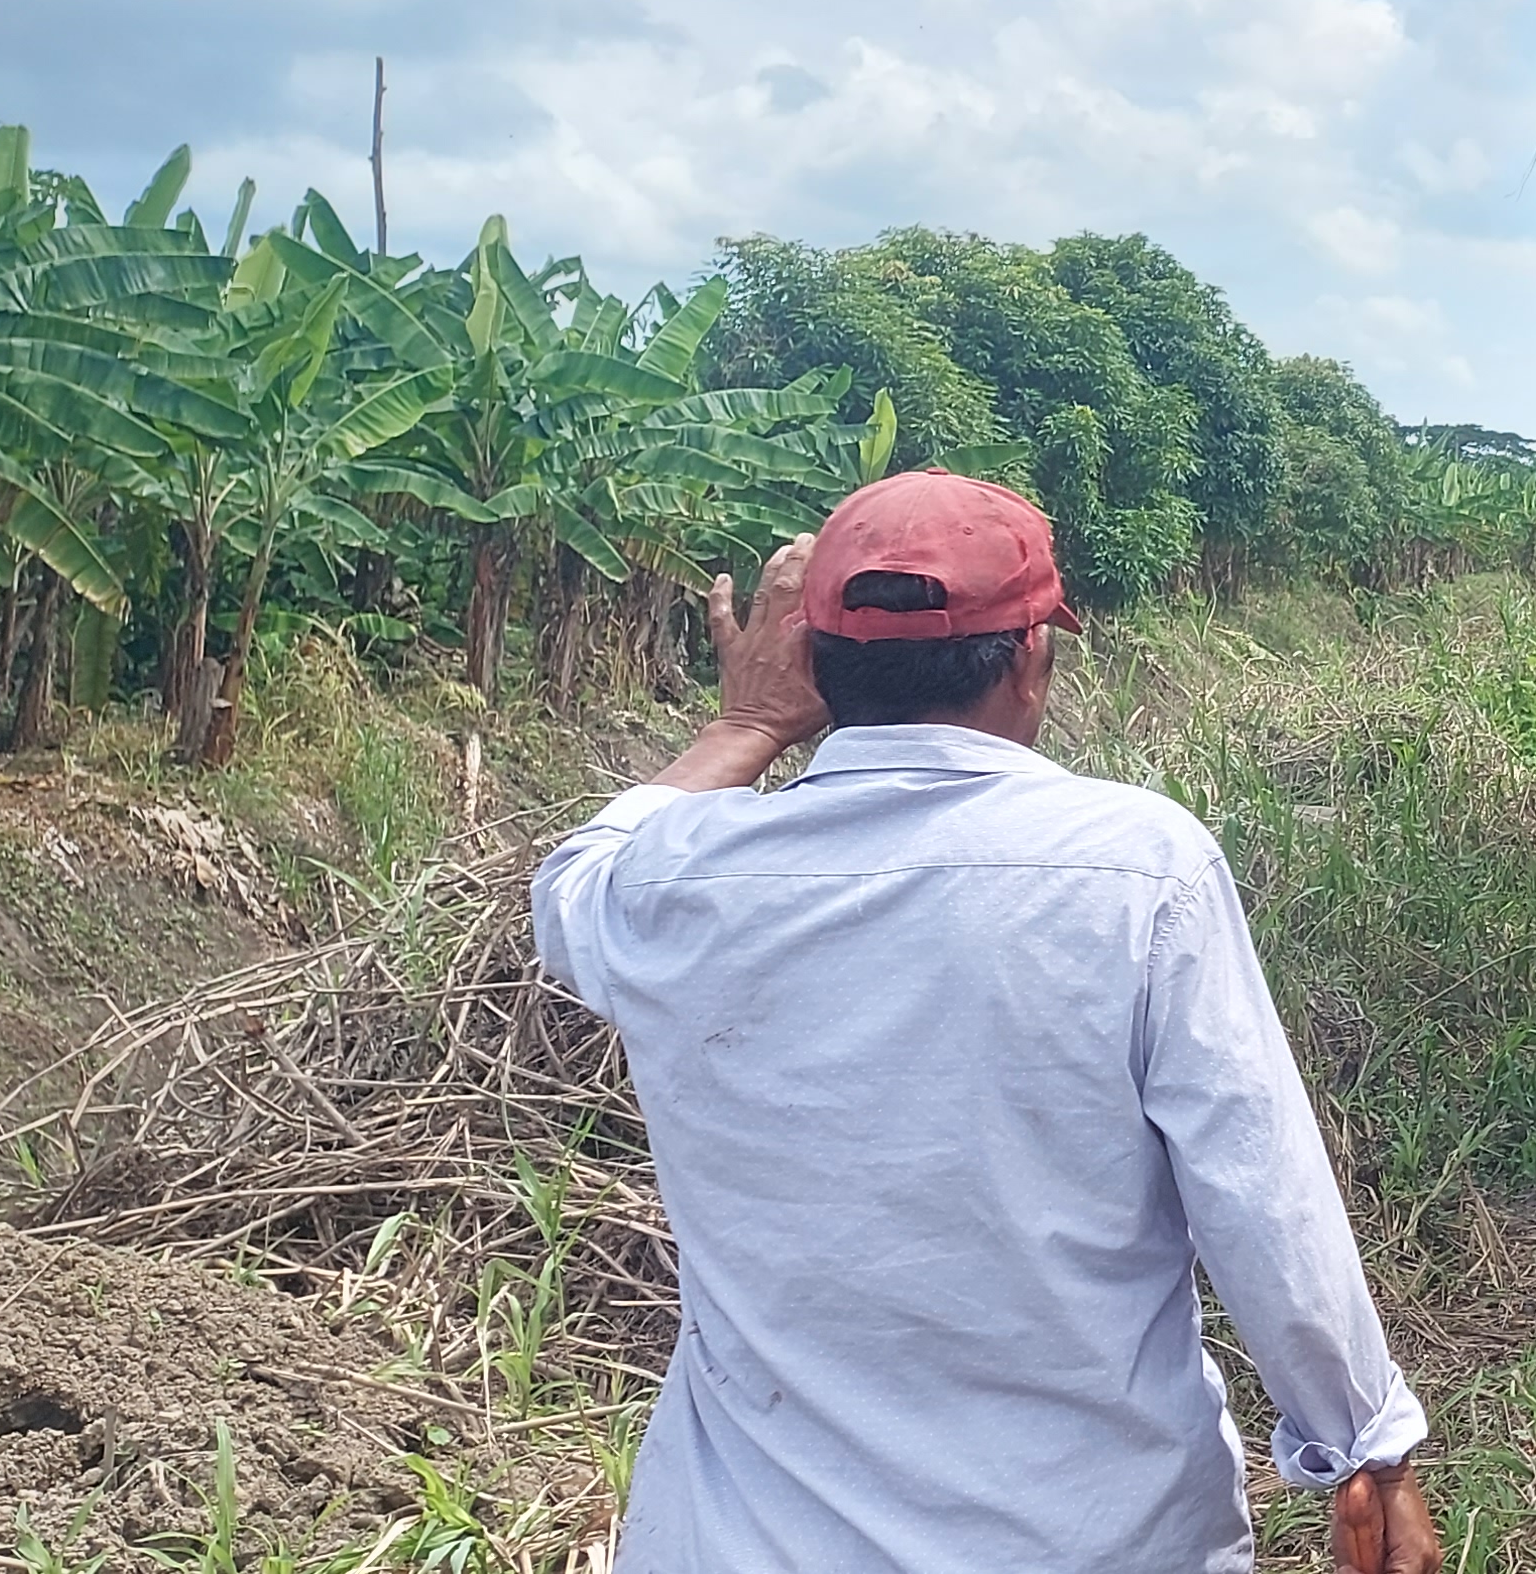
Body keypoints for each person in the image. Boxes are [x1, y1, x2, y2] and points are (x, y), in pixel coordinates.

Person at [532, 470, 1444, 1573]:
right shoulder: (1136, 868)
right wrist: (1365, 1444)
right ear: (1030, 658)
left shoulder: (674, 882)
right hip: (1093, 1540)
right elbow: (1262, 1196)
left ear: (811, 659)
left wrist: (748, 722)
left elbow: (573, 876)